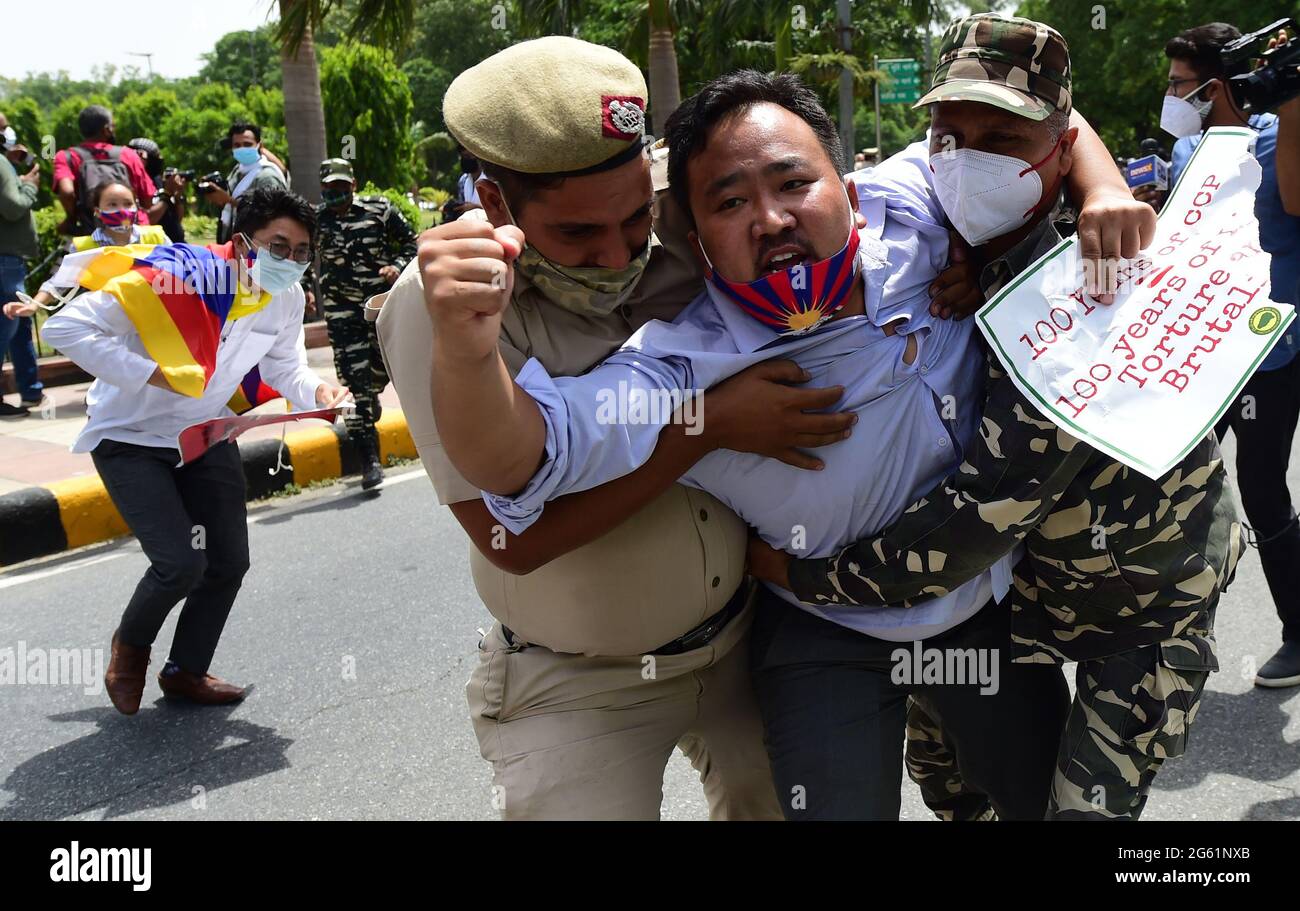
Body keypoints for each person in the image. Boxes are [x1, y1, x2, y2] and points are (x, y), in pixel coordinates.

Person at [421, 33, 1159, 820]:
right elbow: (522, 458)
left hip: (972, 615)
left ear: (850, 187)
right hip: (823, 633)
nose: (770, 219)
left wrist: (1104, 189)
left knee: (1044, 800)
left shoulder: (914, 205)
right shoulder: (682, 361)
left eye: (793, 183)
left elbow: (1049, 128)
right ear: (698, 243)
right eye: (730, 203)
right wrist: (467, 350)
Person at [745, 13, 1242, 820]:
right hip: (1027, 593)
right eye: (949, 132)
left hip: (1147, 605)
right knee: (949, 779)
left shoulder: (1091, 290)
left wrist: (796, 573)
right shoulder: (953, 227)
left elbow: (974, 518)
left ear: (1055, 147)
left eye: (1002, 139)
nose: (967, 159)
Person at [374, 37, 860, 821]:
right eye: (577, 235)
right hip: (579, 682)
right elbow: (514, 540)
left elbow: (861, 208)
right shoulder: (440, 311)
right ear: (495, 203)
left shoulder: (692, 204)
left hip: (748, 639)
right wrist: (704, 431)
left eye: (637, 218)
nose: (619, 253)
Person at [40, 185, 348, 715]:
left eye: (301, 252)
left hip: (205, 434)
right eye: (279, 247)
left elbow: (284, 368)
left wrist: (317, 391)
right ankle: (130, 648)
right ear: (243, 242)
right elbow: (65, 326)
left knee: (228, 561)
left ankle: (185, 671)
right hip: (130, 436)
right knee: (180, 563)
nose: (291, 261)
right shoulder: (177, 278)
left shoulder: (286, 297)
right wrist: (151, 373)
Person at [1150, 22, 1300, 688]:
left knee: (1263, 488)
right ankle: (1166, 632)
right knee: (1162, 475)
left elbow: (1294, 202)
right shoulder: (1187, 149)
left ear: (1217, 86)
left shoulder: (1278, 132)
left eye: (1180, 84)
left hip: (1275, 347)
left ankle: (1298, 630)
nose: (1171, 95)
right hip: (1206, 348)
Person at [312, 158, 415, 488]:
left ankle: (371, 398)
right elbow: (299, 258)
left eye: (342, 189)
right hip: (342, 317)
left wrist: (396, 265)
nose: (336, 197)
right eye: (330, 191)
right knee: (353, 387)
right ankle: (368, 458)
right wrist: (302, 290)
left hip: (380, 310)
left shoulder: (379, 210)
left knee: (387, 372)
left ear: (353, 185)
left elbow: (414, 243)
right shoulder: (315, 220)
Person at [4, 180, 171, 319]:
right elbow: (58, 282)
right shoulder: (84, 247)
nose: (122, 210)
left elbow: (184, 268)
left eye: (128, 203)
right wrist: (33, 305)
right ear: (98, 212)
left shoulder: (156, 237)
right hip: (110, 323)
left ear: (136, 207)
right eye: (112, 204)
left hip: (153, 319)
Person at [52, 105, 160, 236]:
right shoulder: (128, 155)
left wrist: (71, 218)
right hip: (134, 233)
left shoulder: (67, 157)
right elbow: (147, 201)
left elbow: (67, 193)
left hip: (94, 234)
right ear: (106, 129)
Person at [0, 116, 44, 416]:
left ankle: (31, 391)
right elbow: (13, 207)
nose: (9, 130)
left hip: (8, 259)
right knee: (8, 323)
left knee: (20, 324)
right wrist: (29, 186)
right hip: (5, 259)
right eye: (3, 127)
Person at [208, 121, 288, 244]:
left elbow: (271, 214)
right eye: (237, 145)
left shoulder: (268, 176)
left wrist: (229, 201)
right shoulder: (237, 171)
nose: (242, 149)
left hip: (258, 246)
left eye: (247, 144)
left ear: (259, 145)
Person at [127, 137, 187, 244]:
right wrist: (167, 193)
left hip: (175, 243)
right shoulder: (130, 184)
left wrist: (178, 196)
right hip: (157, 248)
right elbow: (148, 219)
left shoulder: (158, 180)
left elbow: (177, 218)